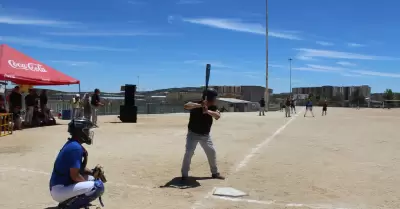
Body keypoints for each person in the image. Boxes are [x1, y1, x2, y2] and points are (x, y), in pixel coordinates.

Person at [49, 118, 105, 208]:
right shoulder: (75, 148)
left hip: (60, 187)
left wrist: (92, 172)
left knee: (91, 178)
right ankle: (67, 206)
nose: (88, 133)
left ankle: (68, 202)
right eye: (86, 131)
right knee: (97, 186)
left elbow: (77, 169)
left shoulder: (73, 144)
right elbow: (74, 176)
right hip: (60, 189)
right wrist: (85, 188)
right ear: (80, 132)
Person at [181, 88, 224, 181]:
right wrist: (200, 105)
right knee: (189, 153)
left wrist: (207, 111)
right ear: (209, 98)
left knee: (211, 152)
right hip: (193, 134)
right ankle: (184, 175)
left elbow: (217, 116)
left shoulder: (213, 107)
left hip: (205, 135)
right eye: (214, 98)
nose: (215, 100)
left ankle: (215, 173)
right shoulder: (196, 104)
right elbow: (186, 106)